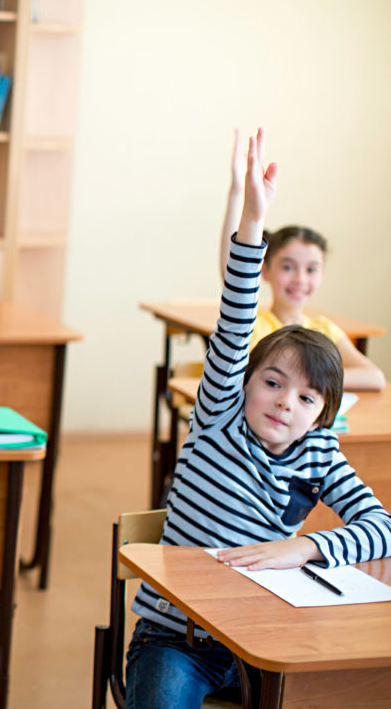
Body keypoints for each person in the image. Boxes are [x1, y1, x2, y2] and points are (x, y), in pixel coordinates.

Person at [126, 129, 391, 708]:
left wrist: (305, 549)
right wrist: (252, 218)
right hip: (178, 639)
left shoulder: (320, 451)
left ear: (324, 412)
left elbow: (383, 528)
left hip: (267, 635)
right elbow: (237, 310)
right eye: (272, 384)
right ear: (243, 383)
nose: (283, 404)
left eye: (305, 399)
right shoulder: (220, 418)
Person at [219, 129, 385, 390]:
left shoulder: (323, 330)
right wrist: (237, 191)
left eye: (311, 269)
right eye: (288, 267)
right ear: (265, 269)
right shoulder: (254, 323)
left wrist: (301, 381)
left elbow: (375, 378)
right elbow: (235, 273)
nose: (300, 279)